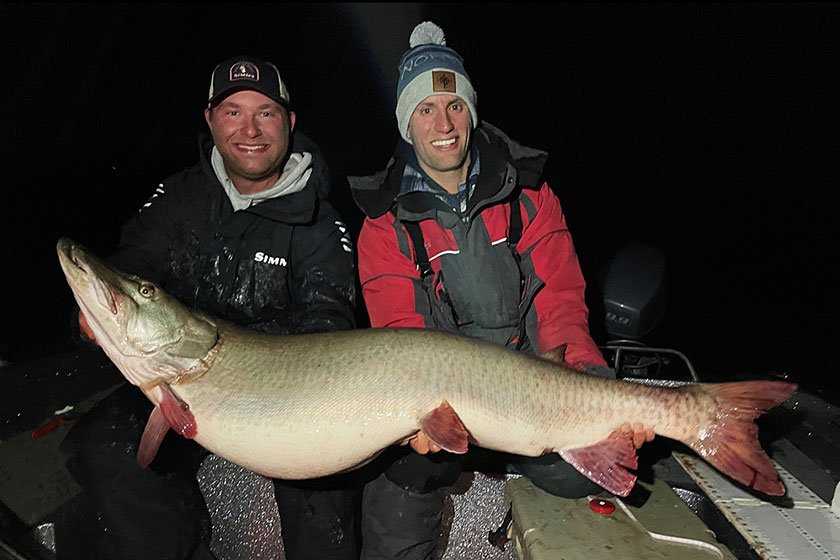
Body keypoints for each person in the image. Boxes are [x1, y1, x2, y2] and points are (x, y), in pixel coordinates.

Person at [349, 21, 654, 559]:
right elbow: (403, 333)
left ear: (471, 111)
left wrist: (587, 379)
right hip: (442, 397)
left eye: (455, 106)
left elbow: (559, 300)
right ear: (406, 123)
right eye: (425, 110)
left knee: (580, 475)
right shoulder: (383, 224)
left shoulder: (529, 193)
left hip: (531, 391)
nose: (443, 124)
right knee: (398, 476)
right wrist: (420, 415)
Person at [60, 55, 361, 560]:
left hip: (285, 399)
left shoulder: (319, 225)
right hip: (181, 374)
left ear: (288, 123)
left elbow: (328, 323)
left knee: (324, 497)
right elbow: (134, 265)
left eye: (265, 113)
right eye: (232, 112)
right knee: (102, 445)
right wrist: (90, 319)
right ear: (210, 120)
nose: (250, 130)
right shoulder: (181, 197)